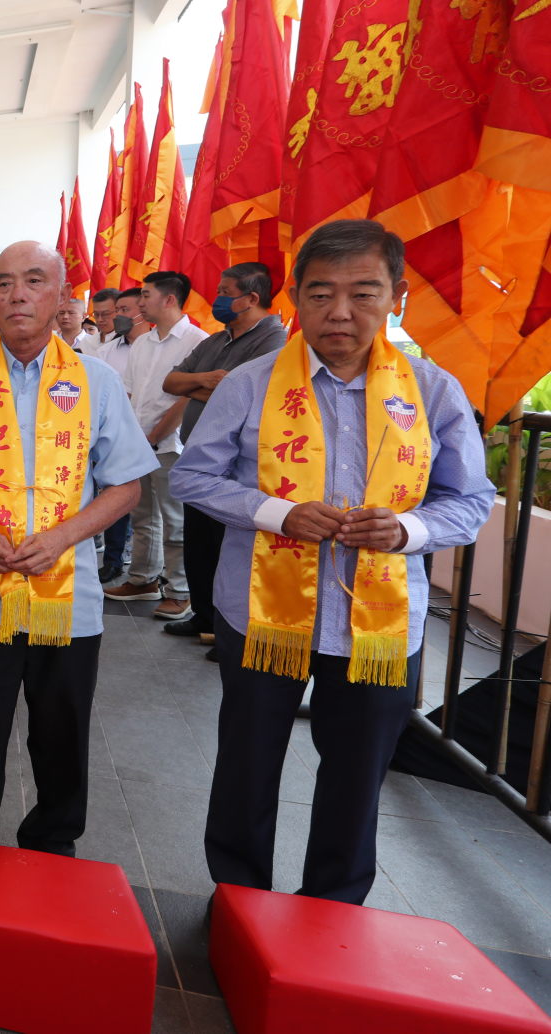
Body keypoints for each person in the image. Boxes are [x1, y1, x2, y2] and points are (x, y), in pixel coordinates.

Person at [170, 219, 491, 905]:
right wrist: (275, 513)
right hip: (259, 614)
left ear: (396, 297)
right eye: (320, 295)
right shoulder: (251, 384)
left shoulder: (432, 392)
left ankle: (333, 917)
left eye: (363, 293)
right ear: (294, 297)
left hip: (376, 627)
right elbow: (193, 478)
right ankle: (238, 902)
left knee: (356, 778)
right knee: (248, 766)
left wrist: (406, 529)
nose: (339, 313)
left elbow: (470, 500)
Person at [0, 242, 157, 858]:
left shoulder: (97, 382)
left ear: (62, 296)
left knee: (61, 735)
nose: (18, 294)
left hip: (67, 599)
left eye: (34, 281)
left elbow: (127, 483)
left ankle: (50, 849)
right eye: (4, 283)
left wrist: (64, 536)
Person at [160, 262, 287, 650]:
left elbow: (247, 395)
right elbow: (172, 382)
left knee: (229, 550)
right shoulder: (217, 340)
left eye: (225, 291)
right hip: (202, 460)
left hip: (241, 467)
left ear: (251, 298)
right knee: (199, 546)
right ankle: (205, 617)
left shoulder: (273, 339)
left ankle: (231, 631)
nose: (218, 299)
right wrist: (205, 381)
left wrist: (212, 385)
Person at [105, 271, 208, 620]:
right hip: (139, 444)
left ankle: (180, 591)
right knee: (143, 515)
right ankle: (143, 580)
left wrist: (153, 437)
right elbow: (131, 394)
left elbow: (187, 399)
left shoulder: (197, 340)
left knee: (175, 520)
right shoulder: (143, 343)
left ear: (169, 299)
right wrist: (130, 438)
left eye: (146, 295)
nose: (141, 301)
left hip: (170, 446)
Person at [94, 287, 147, 582]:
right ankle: (112, 559)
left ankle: (148, 572)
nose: (106, 319)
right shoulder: (105, 352)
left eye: (115, 312)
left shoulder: (151, 347)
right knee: (112, 498)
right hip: (109, 437)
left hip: (153, 435)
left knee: (149, 516)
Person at [80, 288, 121, 356]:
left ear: (119, 312)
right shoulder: (86, 343)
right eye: (96, 314)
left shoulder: (128, 343)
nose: (99, 319)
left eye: (105, 314)